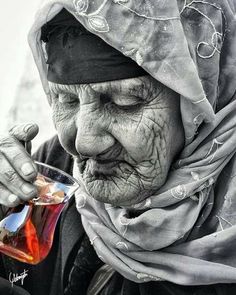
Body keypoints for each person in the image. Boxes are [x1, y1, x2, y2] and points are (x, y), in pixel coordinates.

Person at [0, 0, 236, 294]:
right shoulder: (53, 170)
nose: (83, 143)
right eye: (66, 100)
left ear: (201, 107)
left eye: (125, 103)